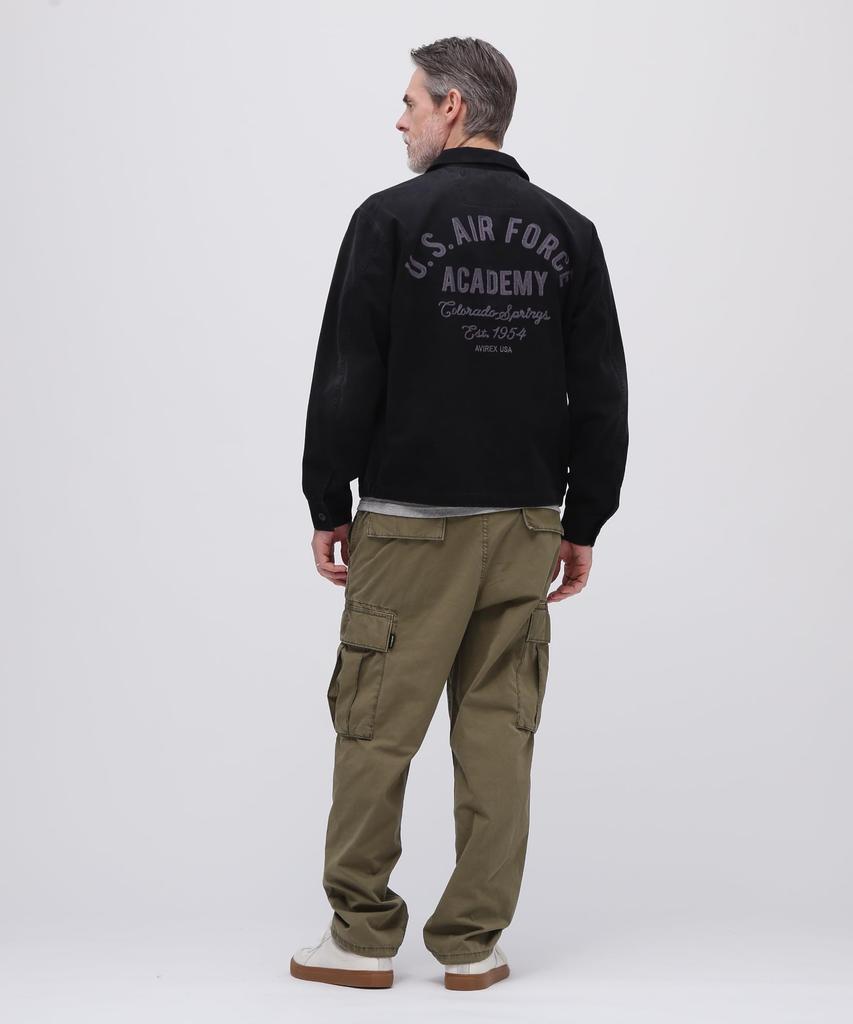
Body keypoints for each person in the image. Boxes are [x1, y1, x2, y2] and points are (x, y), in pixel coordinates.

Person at [291, 35, 629, 991]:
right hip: (523, 524)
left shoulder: (389, 219)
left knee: (375, 727)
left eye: (410, 102)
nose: (398, 119)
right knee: (497, 734)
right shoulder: (568, 231)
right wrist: (582, 520)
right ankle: (473, 943)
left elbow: (347, 370)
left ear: (453, 107)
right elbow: (602, 391)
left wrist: (327, 497)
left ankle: (361, 937)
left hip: (409, 524)